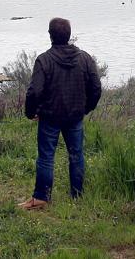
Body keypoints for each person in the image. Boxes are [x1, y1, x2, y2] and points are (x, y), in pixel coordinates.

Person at [18, 17, 102, 210]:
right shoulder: (85, 58)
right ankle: (77, 196)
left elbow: (34, 91)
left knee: (46, 157)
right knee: (76, 155)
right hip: (75, 117)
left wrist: (31, 112)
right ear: (69, 35)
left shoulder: (44, 60)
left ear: (50, 35)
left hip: (50, 117)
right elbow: (96, 87)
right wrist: (86, 108)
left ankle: (41, 198)